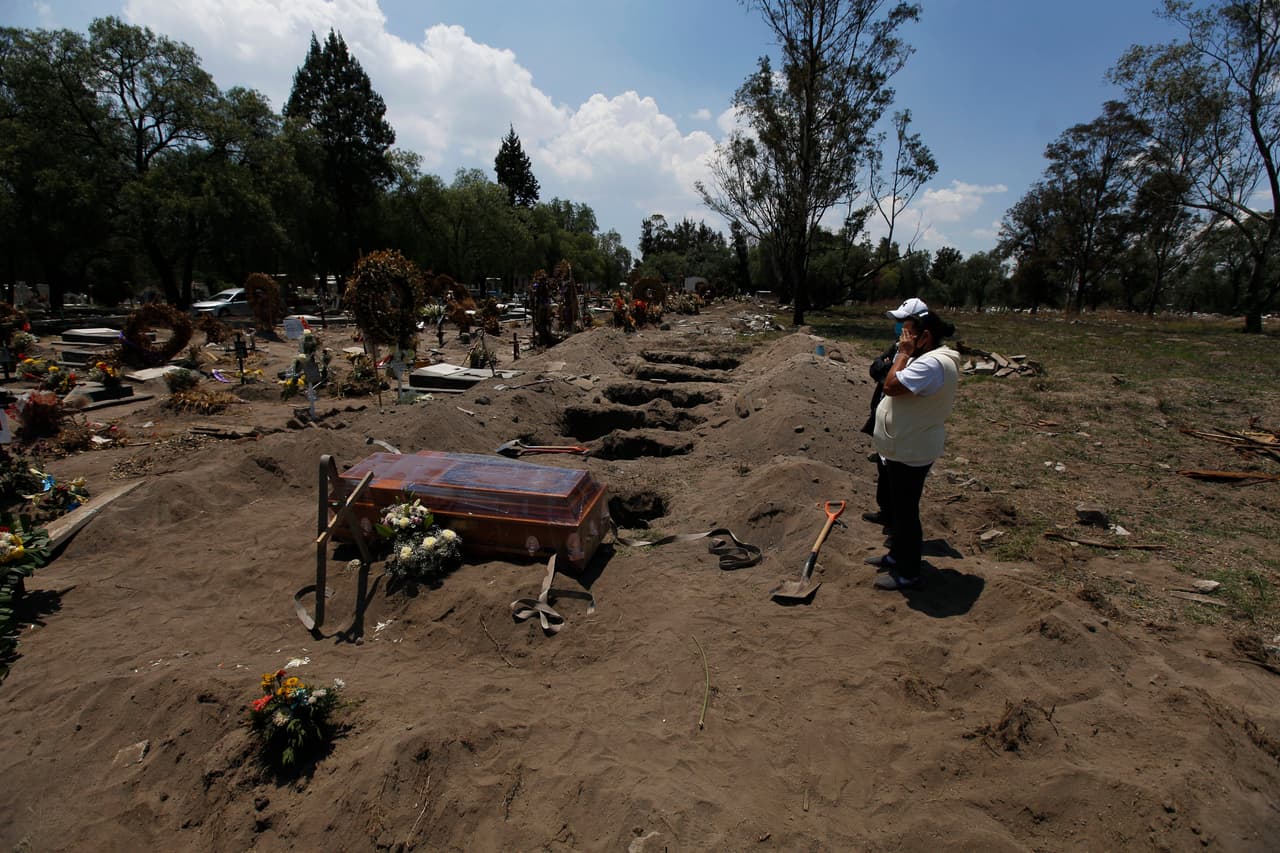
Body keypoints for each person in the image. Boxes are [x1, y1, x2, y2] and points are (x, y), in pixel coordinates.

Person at [866, 310, 961, 591]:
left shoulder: (931, 364)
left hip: (911, 448)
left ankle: (908, 572)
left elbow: (891, 386)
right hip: (906, 445)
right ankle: (897, 556)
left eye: (907, 333)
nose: (901, 338)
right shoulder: (930, 359)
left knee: (906, 513)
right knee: (900, 508)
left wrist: (902, 355)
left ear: (925, 337)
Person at [860, 298, 930, 531]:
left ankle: (897, 526)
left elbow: (893, 382)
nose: (898, 327)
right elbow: (876, 368)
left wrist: (890, 368)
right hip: (884, 420)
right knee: (883, 470)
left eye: (902, 322)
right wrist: (887, 367)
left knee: (897, 479)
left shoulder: (921, 358)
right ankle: (886, 513)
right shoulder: (898, 346)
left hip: (901, 427)